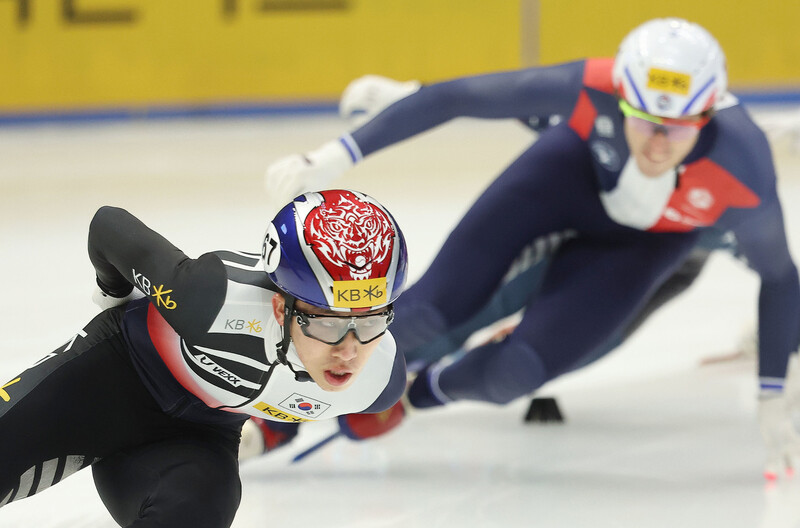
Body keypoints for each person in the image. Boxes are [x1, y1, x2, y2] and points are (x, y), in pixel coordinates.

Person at [262, 18, 800, 479]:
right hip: (565, 182)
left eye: (679, 129)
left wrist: (773, 389)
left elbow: (779, 274)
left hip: (650, 247)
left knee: (515, 372)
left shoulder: (741, 168)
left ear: (707, 116)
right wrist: (338, 154)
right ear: (622, 96)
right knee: (425, 315)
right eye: (647, 121)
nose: (659, 144)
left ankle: (412, 396)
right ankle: (276, 415)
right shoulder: (597, 87)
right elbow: (468, 97)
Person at [0, 189, 408, 527]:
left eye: (371, 321)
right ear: (282, 309)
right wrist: (113, 295)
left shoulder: (378, 381)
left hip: (191, 444)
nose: (350, 350)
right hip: (100, 381)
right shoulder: (210, 299)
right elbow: (108, 225)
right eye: (328, 323)